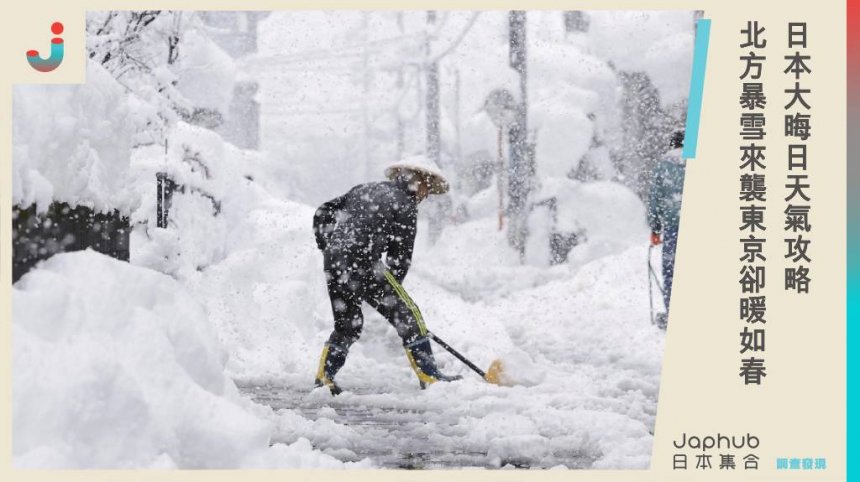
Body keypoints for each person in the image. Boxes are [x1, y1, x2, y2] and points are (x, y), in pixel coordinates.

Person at [312, 156, 462, 395]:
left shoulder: (364, 189)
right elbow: (400, 257)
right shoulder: (405, 204)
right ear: (419, 181)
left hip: (335, 262)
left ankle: (324, 376)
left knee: (348, 324)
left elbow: (323, 212)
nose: (426, 196)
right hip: (364, 262)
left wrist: (329, 246)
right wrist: (392, 296)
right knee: (409, 315)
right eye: (427, 189)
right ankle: (430, 375)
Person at [648, 131, 687, 330]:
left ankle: (673, 313)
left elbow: (655, 199)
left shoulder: (663, 167)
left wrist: (655, 228)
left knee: (672, 271)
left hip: (673, 227)